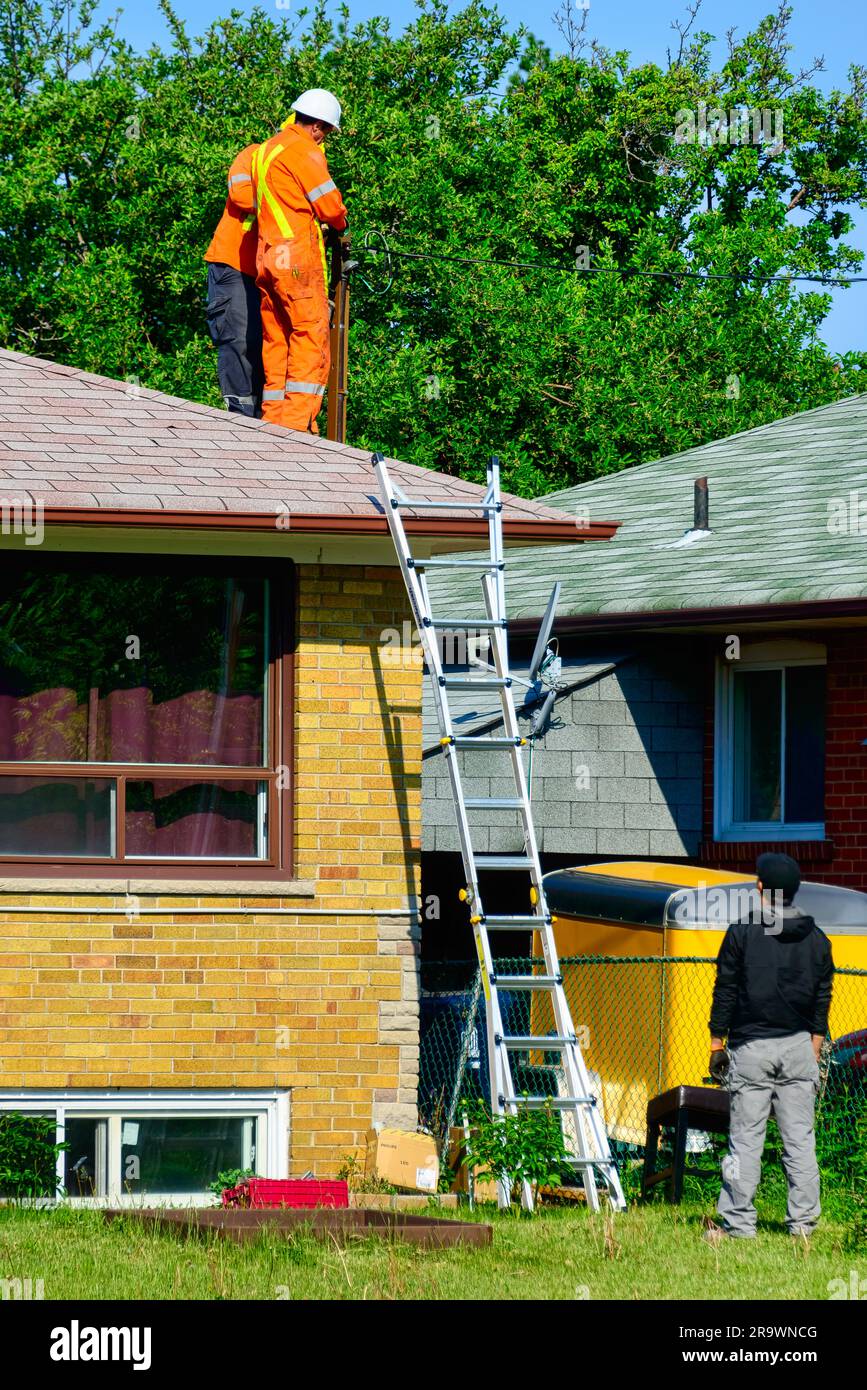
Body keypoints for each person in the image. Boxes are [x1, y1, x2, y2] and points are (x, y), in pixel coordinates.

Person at [706, 852, 834, 1239]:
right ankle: (804, 1226)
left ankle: (738, 1225)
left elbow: (725, 989)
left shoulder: (742, 933)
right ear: (795, 891)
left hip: (752, 1049)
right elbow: (822, 995)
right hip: (798, 1048)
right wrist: (813, 1042)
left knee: (745, 1141)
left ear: (760, 888)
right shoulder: (818, 940)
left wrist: (716, 1041)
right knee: (800, 1140)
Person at [252, 89, 348, 432]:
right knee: (309, 336)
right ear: (319, 127)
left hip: (266, 258)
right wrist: (340, 224)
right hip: (295, 260)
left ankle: (273, 421)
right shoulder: (304, 151)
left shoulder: (265, 150)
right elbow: (331, 206)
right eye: (326, 133)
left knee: (277, 339)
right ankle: (295, 430)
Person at [204, 143, 264, 416]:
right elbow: (240, 193)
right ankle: (241, 418)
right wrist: (283, 203)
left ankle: (263, 418)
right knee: (239, 340)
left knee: (263, 346)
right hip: (234, 264)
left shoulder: (303, 168)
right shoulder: (254, 155)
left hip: (270, 271)